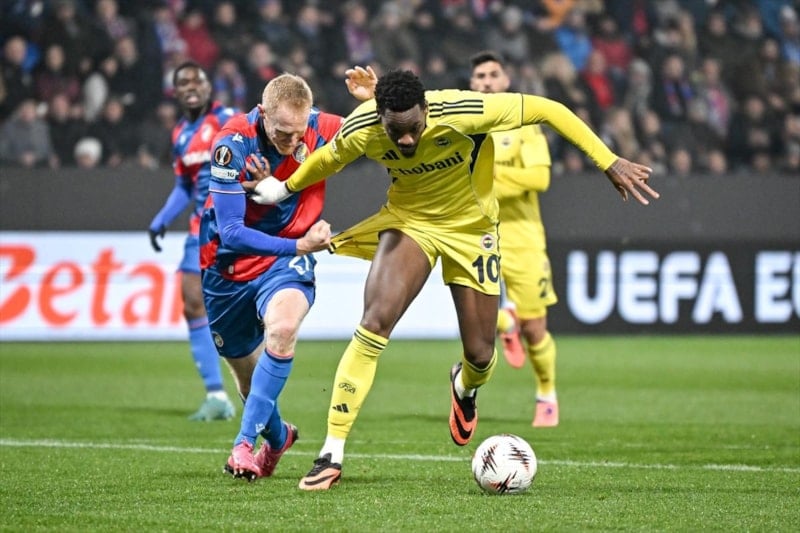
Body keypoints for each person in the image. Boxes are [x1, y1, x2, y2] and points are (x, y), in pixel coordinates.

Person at [248, 69, 659, 490]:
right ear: (379, 116)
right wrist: (281, 189)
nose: (406, 140)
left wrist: (608, 161)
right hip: (410, 223)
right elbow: (328, 159)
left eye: (414, 128)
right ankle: (331, 454)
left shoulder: (464, 111)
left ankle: (464, 386)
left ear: (426, 109)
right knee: (374, 322)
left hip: (472, 230)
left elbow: (548, 110)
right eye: (395, 131)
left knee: (481, 354)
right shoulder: (363, 127)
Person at [203, 69, 377, 480]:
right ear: (262, 113)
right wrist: (299, 245)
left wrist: (373, 100)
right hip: (228, 267)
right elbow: (231, 232)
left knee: (282, 330)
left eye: (300, 132)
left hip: (285, 262)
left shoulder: (320, 127)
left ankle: (242, 445)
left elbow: (383, 132)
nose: (294, 141)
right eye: (283, 133)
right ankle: (279, 438)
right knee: (249, 383)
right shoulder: (232, 144)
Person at [469, 50, 559, 428]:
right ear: (471, 84)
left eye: (493, 75)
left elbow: (539, 179)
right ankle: (507, 324)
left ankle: (546, 395)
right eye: (480, 76)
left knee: (535, 327)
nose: (487, 82)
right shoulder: (462, 127)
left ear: (506, 81)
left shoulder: (524, 125)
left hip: (522, 237)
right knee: (475, 322)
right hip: (476, 235)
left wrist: (489, 179)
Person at [147, 61, 237, 421]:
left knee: (244, 311)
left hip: (234, 224)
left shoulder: (229, 120)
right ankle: (216, 396)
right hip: (200, 227)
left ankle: (258, 388)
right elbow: (185, 185)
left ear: (208, 86)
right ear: (176, 92)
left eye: (196, 80)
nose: (190, 87)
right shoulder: (181, 133)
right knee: (192, 302)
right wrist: (162, 217)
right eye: (183, 83)